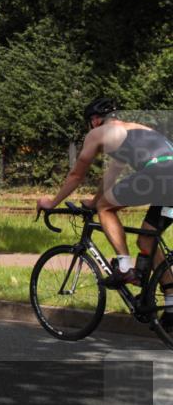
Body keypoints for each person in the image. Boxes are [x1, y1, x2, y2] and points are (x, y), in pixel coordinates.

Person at [37, 99, 173, 325]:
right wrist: (93, 201)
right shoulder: (137, 130)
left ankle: (124, 266)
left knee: (106, 208)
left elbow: (76, 175)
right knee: (146, 241)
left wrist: (52, 202)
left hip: (159, 173)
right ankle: (171, 307)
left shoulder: (99, 132)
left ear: (95, 120)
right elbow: (109, 179)